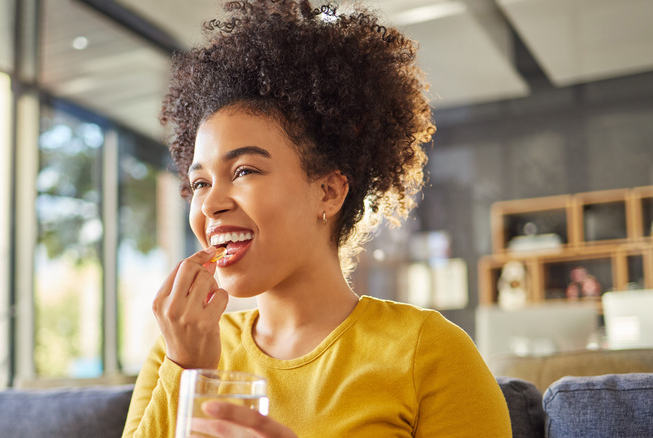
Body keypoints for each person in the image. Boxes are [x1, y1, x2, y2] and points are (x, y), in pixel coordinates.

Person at [121, 0, 512, 436]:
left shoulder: (428, 351)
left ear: (328, 192)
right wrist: (189, 372)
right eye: (199, 183)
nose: (211, 203)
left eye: (244, 171)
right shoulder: (178, 351)